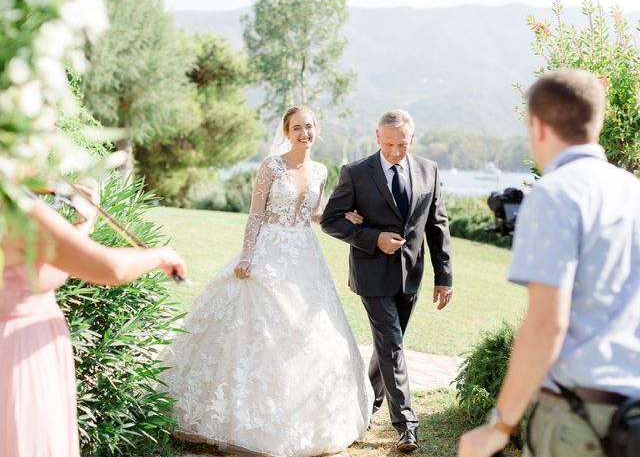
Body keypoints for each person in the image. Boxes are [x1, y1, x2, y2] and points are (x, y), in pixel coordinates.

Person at [161, 105, 373, 457]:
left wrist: (343, 214)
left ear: (316, 130)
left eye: (309, 127)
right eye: (297, 128)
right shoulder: (271, 166)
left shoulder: (321, 171)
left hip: (304, 256)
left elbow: (314, 214)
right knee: (252, 325)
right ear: (287, 132)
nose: (304, 133)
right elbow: (256, 214)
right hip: (268, 252)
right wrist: (247, 256)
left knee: (308, 328)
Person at [457, 68, 640, 457]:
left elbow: (547, 323)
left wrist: (500, 425)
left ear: (537, 126)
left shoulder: (555, 193)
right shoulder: (633, 191)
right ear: (598, 120)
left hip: (580, 418)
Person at [0, 186, 187, 457]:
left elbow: (52, 264)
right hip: (20, 352)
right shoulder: (19, 210)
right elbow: (109, 267)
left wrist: (84, 222)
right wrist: (162, 255)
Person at [321, 109, 454, 453]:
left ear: (413, 138)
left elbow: (437, 226)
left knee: (386, 348)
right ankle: (406, 424)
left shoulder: (429, 170)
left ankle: (366, 402)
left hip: (411, 276)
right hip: (371, 273)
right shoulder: (355, 172)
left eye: (402, 144)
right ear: (377, 137)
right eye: (389, 143)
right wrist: (372, 237)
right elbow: (332, 220)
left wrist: (444, 276)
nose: (395, 151)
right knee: (392, 344)